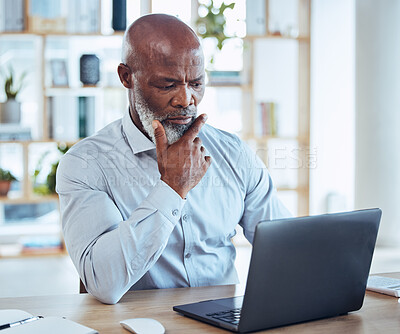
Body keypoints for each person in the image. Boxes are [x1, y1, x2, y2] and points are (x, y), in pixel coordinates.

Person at [56, 14, 291, 305]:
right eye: (167, 85)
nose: (186, 99)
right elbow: (103, 283)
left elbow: (287, 248)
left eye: (196, 83)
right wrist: (171, 188)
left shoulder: (233, 152)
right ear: (126, 77)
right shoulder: (86, 164)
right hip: (140, 325)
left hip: (225, 320)